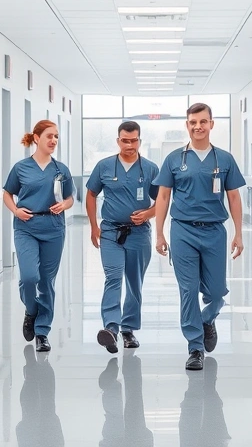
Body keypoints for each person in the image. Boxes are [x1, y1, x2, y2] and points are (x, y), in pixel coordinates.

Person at [153, 102, 245, 371]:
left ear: (212, 124)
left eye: (203, 122)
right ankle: (195, 347)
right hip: (183, 230)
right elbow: (163, 196)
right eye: (193, 122)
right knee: (188, 290)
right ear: (187, 125)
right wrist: (159, 233)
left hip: (215, 231)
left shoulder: (224, 159)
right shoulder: (174, 159)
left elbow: (235, 197)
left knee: (216, 292)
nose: (198, 127)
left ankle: (207, 319)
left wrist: (239, 233)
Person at [85, 121, 161, 353]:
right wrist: (93, 227)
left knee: (134, 282)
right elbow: (91, 194)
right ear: (118, 140)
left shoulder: (149, 169)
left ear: (140, 140)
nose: (129, 144)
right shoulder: (104, 166)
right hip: (110, 231)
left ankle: (128, 329)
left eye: (134, 140)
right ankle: (111, 327)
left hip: (139, 234)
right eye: (125, 140)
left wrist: (148, 213)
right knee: (113, 277)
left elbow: (163, 201)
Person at [3, 119, 75, 353]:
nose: (54, 140)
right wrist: (15, 210)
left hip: (53, 227)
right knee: (29, 277)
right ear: (36, 138)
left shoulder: (61, 169)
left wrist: (64, 205)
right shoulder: (21, 167)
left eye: (56, 137)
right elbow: (7, 193)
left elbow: (70, 198)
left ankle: (42, 332)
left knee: (46, 281)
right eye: (49, 136)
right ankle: (31, 311)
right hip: (26, 226)